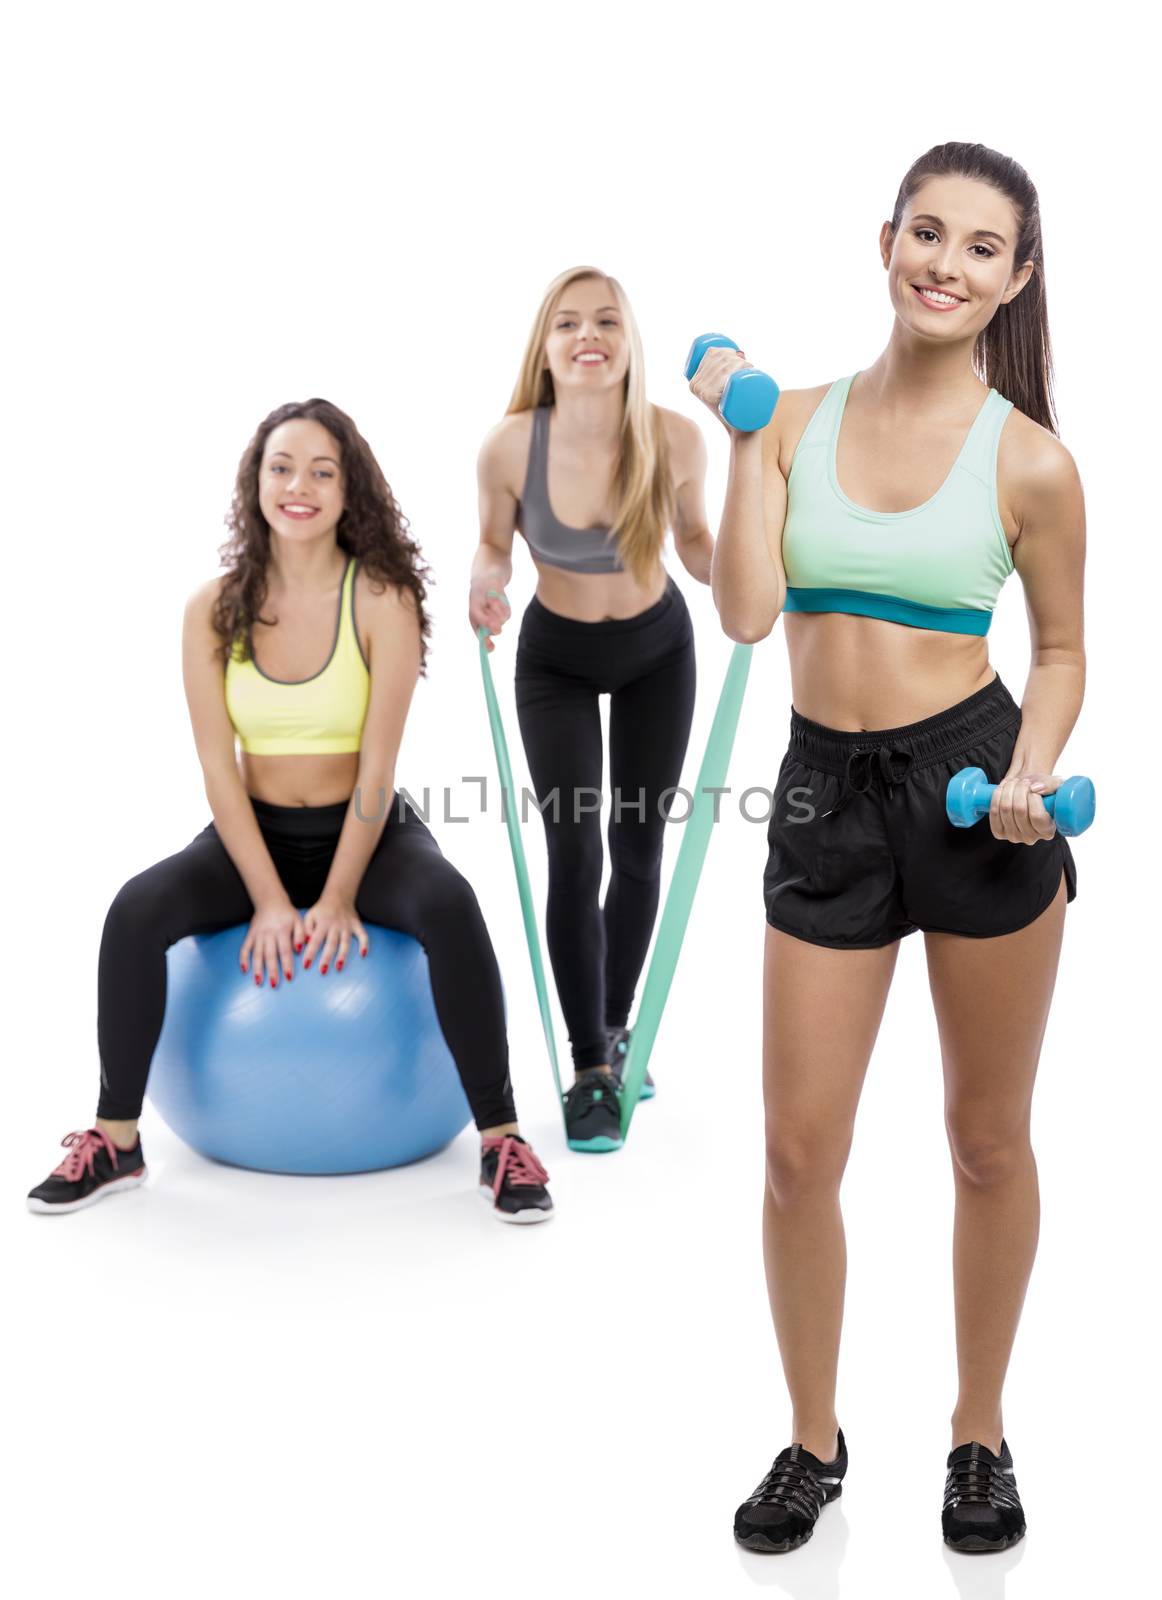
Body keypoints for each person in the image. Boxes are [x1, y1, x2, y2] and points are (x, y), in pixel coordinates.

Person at [692, 144, 1084, 1552]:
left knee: (985, 1143)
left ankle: (977, 1433)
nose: (946, 263)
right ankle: (812, 1440)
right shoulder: (786, 421)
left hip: (975, 790)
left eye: (981, 247)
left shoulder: (1029, 460)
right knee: (797, 1153)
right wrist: (738, 440)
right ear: (884, 241)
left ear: (1014, 278)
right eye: (927, 232)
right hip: (818, 795)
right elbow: (743, 614)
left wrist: (1031, 765)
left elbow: (1057, 648)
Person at [28, 399, 553, 1223]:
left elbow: (380, 767)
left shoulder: (383, 600)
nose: (298, 486)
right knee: (136, 908)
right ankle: (116, 1139)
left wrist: (338, 895)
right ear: (256, 481)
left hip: (367, 833)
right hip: (256, 835)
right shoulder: (211, 608)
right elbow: (216, 765)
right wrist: (270, 898)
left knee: (449, 903)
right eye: (281, 467)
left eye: (321, 471)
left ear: (351, 491)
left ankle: (502, 1141)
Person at [471, 267, 714, 1151]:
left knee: (638, 846)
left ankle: (615, 1030)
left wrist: (740, 574)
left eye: (607, 321)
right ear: (545, 346)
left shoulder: (675, 439)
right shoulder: (508, 448)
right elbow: (494, 548)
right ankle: (588, 1070)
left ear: (629, 342)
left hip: (659, 654)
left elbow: (694, 543)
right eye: (568, 322)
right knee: (574, 851)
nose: (589, 335)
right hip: (557, 665)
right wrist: (484, 583)